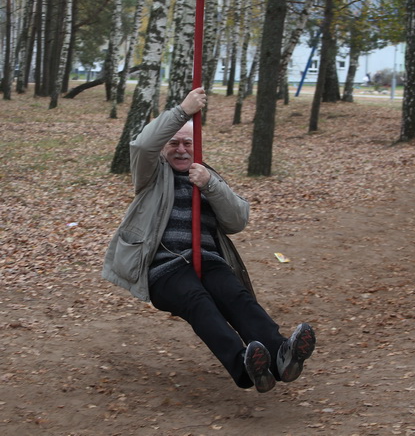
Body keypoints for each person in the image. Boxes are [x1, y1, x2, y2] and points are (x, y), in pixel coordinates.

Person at [103, 88, 315, 393]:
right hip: (165, 268)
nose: (180, 150)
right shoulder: (151, 174)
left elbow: (237, 219)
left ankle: (282, 355)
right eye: (173, 143)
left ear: (197, 146)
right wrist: (182, 111)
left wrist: (210, 185)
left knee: (236, 296)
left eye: (187, 143)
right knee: (198, 302)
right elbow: (142, 145)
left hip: (208, 261)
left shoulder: (205, 175)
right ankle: (245, 367)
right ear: (163, 147)